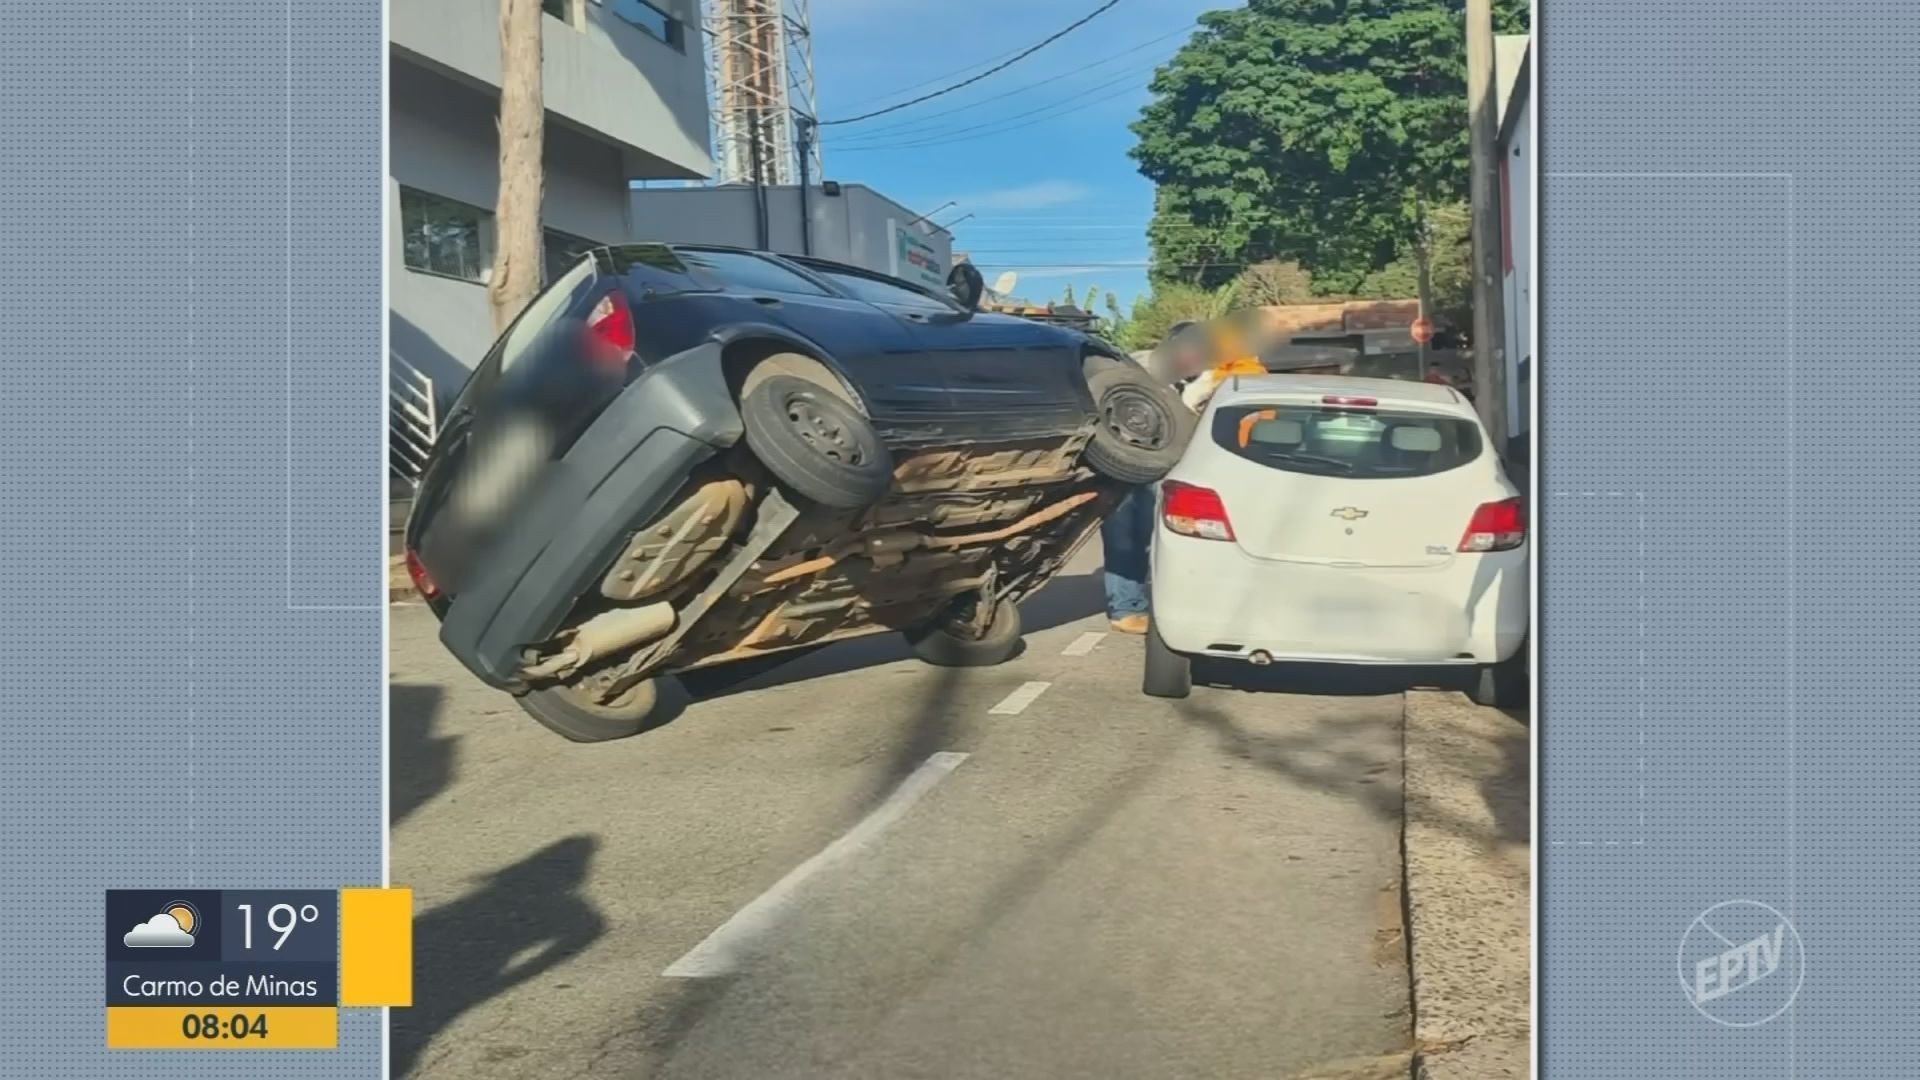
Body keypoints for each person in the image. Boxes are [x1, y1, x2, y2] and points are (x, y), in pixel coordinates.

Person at [1100, 323, 1267, 635]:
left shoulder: (1219, 375)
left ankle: (1178, 605)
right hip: (1129, 461)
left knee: (1175, 539)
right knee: (1125, 535)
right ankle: (1127, 608)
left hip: (1180, 466)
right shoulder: (1141, 369)